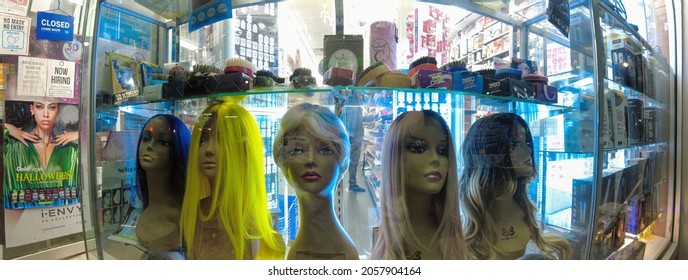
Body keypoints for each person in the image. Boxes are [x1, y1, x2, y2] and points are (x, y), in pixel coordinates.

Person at [179, 97, 285, 260]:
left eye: (221, 139)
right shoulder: (193, 214)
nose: (208, 150)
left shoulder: (250, 222)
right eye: (203, 140)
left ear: (243, 149)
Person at [458, 112, 571, 260]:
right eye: (515, 144)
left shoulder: (523, 210)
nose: (529, 150)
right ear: (488, 154)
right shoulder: (463, 243)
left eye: (527, 143)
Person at [372, 110, 466, 260]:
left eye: (442, 151)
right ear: (394, 157)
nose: (436, 159)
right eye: (418, 148)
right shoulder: (387, 244)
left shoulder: (453, 237)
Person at [273, 103, 359, 260]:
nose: (310, 160)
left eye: (324, 149)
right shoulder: (295, 254)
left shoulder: (347, 256)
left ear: (341, 160)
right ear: (284, 161)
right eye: (298, 150)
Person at [3, 101, 79, 209]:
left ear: (58, 111)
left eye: (52, 107)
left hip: (62, 216)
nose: (46, 114)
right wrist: (9, 128)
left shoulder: (71, 150)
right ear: (32, 109)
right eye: (39, 107)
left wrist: (81, 134)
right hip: (19, 218)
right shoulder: (13, 145)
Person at [134, 114, 191, 259]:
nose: (149, 146)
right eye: (146, 138)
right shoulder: (143, 208)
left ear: (179, 150)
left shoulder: (181, 219)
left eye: (163, 142)